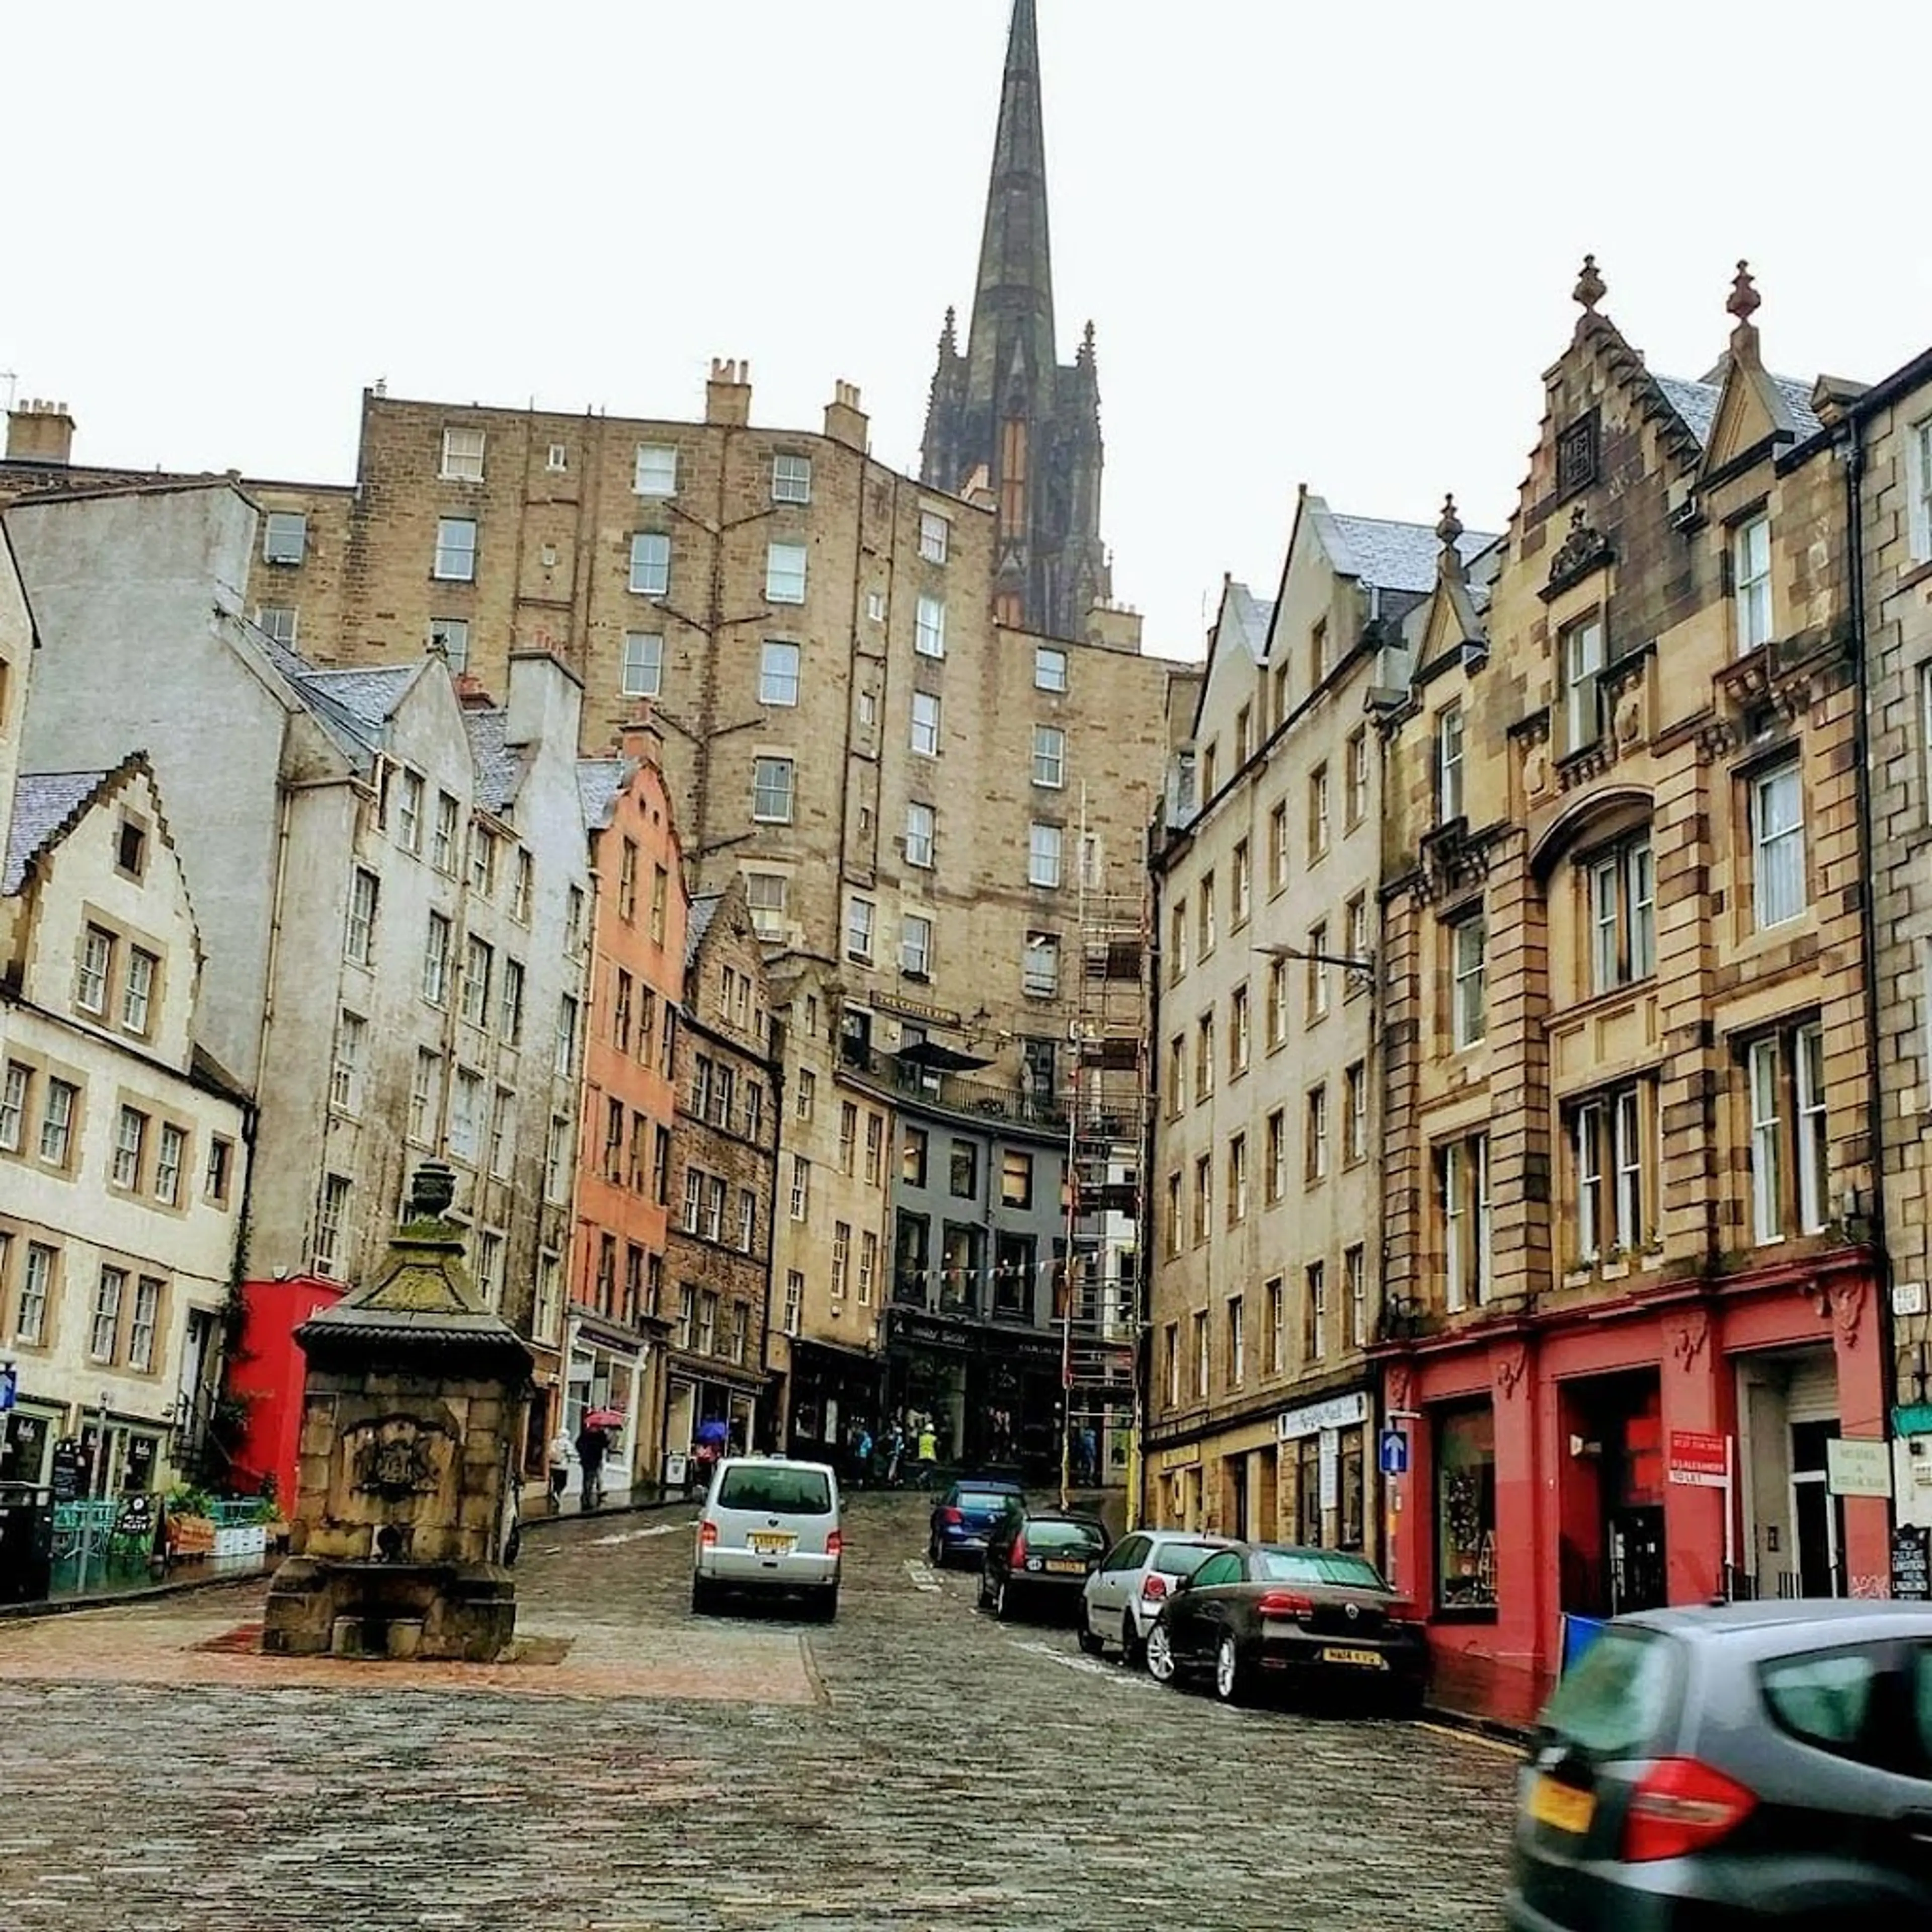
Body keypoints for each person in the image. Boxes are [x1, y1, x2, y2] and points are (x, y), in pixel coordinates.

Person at [575, 1418, 608, 1511]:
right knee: (590, 1479)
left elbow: (578, 1444)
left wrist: (582, 1454)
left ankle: (585, 1497)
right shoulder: (600, 1436)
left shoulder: (586, 1434)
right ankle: (587, 1499)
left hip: (586, 1460)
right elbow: (605, 1446)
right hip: (593, 1461)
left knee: (587, 1479)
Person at [547, 1425, 573, 1511]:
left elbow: (549, 1453)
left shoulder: (553, 1442)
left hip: (553, 1466)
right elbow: (570, 1453)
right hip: (563, 1467)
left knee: (555, 1481)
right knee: (563, 1483)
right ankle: (558, 1494)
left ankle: (555, 1493)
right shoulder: (567, 1443)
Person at [914, 1420, 939, 1490]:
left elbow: (917, 1446)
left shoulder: (921, 1438)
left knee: (924, 1469)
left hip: (922, 1455)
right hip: (931, 1456)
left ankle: (925, 1483)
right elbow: (936, 1448)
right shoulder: (934, 1438)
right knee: (930, 1470)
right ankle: (921, 1478)